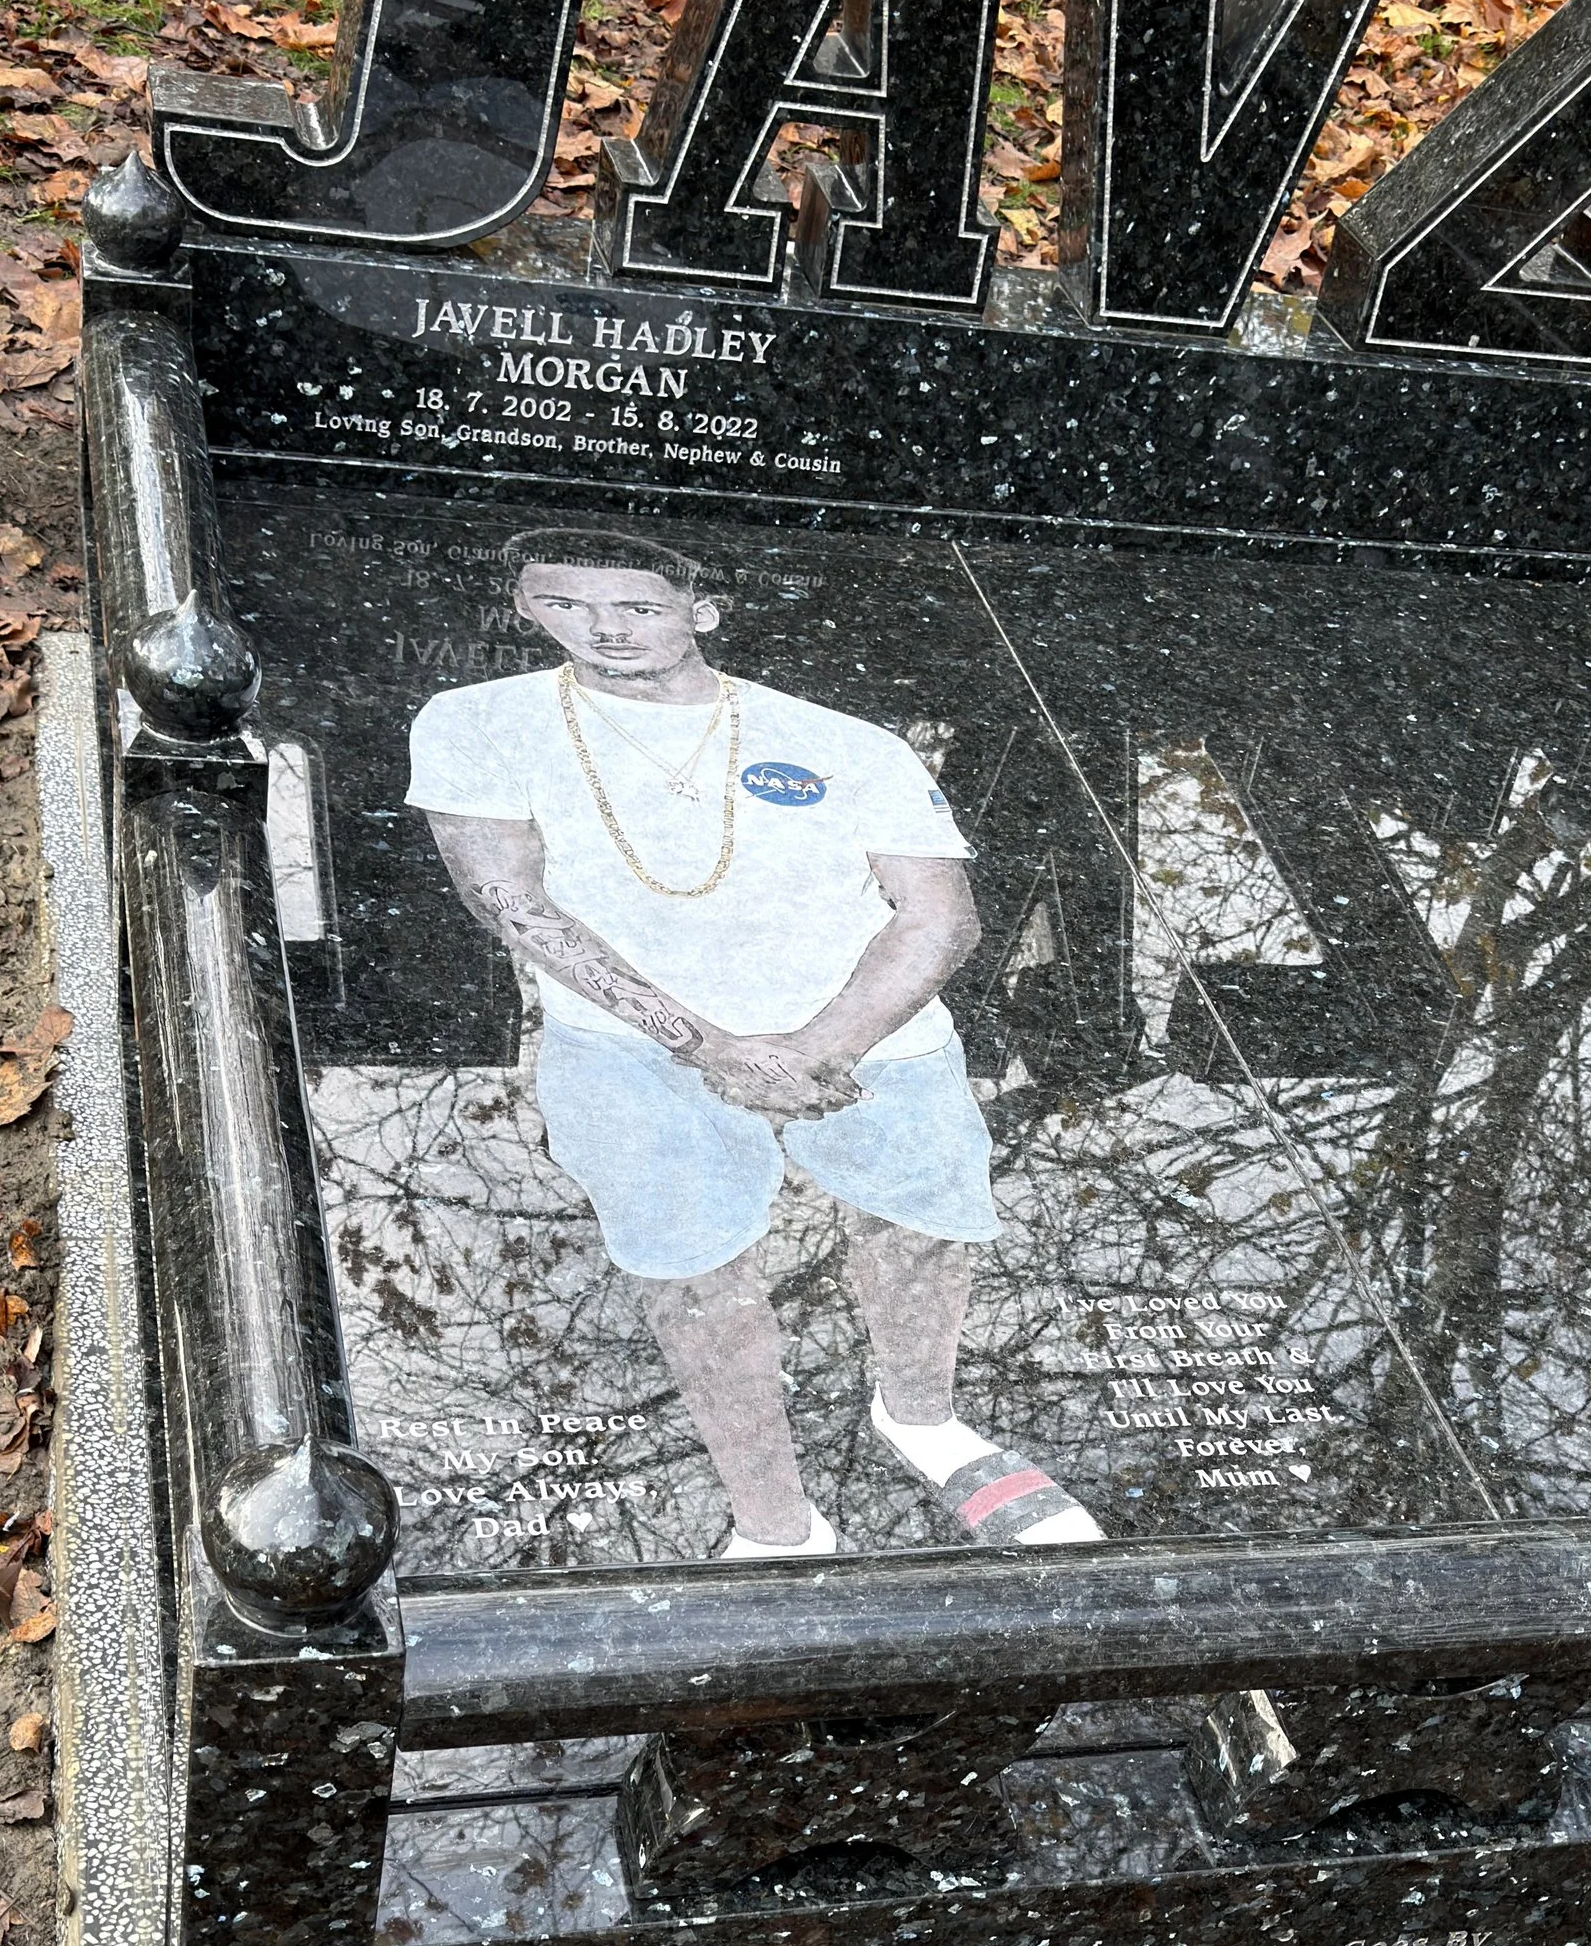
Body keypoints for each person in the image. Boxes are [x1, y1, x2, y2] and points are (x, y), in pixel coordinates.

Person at [405, 525, 1101, 1559]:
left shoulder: (845, 741)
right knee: (688, 1274)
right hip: (632, 1050)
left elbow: (940, 918)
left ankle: (922, 1420)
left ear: (703, 611)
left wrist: (824, 1046)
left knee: (917, 1227)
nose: (602, 628)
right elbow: (509, 900)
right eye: (563, 602)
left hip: (872, 1040)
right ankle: (775, 1519)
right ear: (526, 609)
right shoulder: (477, 723)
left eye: (635, 606)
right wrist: (703, 1044)